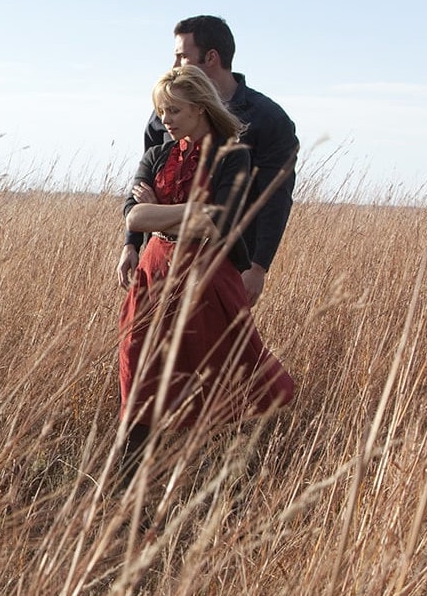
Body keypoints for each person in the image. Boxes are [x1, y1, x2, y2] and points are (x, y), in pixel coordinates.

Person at [116, 65, 295, 485]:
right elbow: (135, 213)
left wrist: (162, 211)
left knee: (220, 369)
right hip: (153, 274)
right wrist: (144, 231)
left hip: (207, 275)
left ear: (200, 108)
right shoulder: (157, 154)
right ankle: (127, 486)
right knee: (139, 369)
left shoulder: (233, 156)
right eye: (162, 111)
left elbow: (219, 222)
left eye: (173, 110)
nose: (165, 119)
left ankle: (224, 476)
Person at [117, 15, 298, 306]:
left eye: (182, 56)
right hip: (159, 264)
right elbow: (139, 195)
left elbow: (274, 198)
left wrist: (258, 267)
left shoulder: (268, 120)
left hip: (222, 266)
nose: (174, 66)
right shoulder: (162, 118)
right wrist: (131, 244)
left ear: (211, 57)